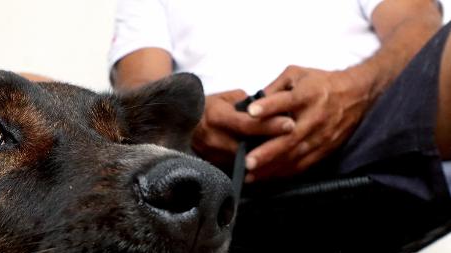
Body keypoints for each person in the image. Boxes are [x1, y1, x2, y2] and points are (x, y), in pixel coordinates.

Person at [109, 0, 451, 194]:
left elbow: (418, 25)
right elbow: (140, 85)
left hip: (369, 123)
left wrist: (354, 91)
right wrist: (194, 123)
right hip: (215, 164)